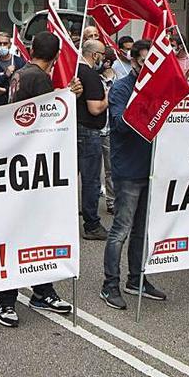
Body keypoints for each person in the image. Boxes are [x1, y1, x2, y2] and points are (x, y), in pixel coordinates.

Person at [0, 31, 81, 327]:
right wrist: (68, 96)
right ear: (56, 56)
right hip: (29, 164)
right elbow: (48, 117)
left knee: (38, 231)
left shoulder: (20, 73)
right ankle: (5, 299)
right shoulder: (39, 78)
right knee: (22, 231)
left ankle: (43, 290)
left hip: (26, 160)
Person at [102, 39, 167, 309]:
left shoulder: (159, 87)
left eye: (152, 62)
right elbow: (118, 123)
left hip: (152, 168)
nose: (147, 67)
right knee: (121, 229)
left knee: (142, 230)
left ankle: (136, 279)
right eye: (142, 62)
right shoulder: (121, 88)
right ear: (133, 61)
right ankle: (110, 284)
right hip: (128, 169)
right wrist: (143, 102)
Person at [76, 39, 110, 240]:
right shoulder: (90, 75)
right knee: (91, 181)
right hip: (89, 132)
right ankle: (92, 224)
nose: (103, 59)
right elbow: (95, 108)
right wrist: (108, 96)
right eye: (102, 55)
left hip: (77, 130)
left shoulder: (75, 71)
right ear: (95, 55)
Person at [0, 31, 27, 106]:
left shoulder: (19, 61)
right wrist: (5, 75)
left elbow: (24, 84)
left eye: (5, 43)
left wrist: (6, 90)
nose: (2, 46)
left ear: (10, 45)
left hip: (15, 105)